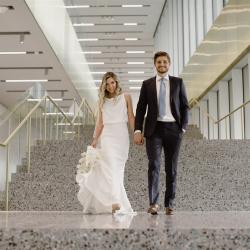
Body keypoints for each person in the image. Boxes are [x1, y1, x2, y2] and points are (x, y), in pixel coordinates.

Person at [134, 51, 189, 215]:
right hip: (154, 129)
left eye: (165, 62)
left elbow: (185, 106)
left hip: (174, 129)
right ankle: (153, 203)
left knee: (171, 167)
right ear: (155, 64)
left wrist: (183, 127)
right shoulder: (147, 84)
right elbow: (140, 108)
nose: (162, 64)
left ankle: (169, 203)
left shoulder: (178, 82)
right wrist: (138, 130)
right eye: (159, 62)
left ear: (169, 64)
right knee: (154, 166)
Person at [77, 72, 135, 214]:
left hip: (122, 136)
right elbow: (100, 123)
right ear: (104, 86)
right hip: (108, 136)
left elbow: (131, 116)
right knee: (111, 167)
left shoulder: (126, 97)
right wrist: (95, 140)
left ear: (116, 82)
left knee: (118, 170)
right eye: (107, 84)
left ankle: (118, 201)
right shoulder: (101, 102)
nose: (110, 86)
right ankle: (114, 202)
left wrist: (136, 133)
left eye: (112, 83)